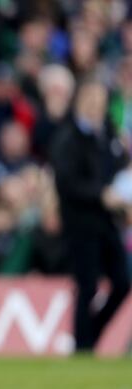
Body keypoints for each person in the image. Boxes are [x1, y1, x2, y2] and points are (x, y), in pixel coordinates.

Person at [50, 80, 130, 353]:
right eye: (90, 99)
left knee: (122, 281)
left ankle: (90, 336)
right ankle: (83, 345)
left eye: (100, 100)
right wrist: (100, 194)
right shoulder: (68, 137)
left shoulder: (108, 134)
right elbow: (66, 182)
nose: (96, 105)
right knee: (87, 285)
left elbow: (119, 168)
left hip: (107, 221)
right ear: (79, 101)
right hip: (81, 223)